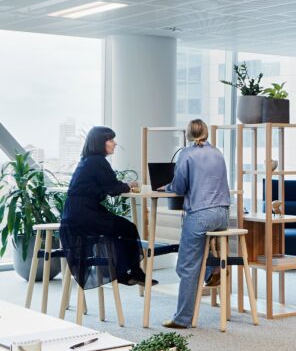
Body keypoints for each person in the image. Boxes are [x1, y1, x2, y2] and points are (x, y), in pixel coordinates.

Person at [160, 119, 231, 329]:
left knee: (186, 266)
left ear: (188, 134)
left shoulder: (187, 154)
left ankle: (182, 319)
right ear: (206, 133)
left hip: (201, 215)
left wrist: (167, 187)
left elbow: (179, 187)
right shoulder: (217, 152)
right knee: (199, 251)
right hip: (223, 214)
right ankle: (213, 270)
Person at [60, 126, 145, 288]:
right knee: (128, 228)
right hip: (84, 213)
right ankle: (131, 272)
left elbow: (106, 186)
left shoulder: (87, 160)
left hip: (74, 212)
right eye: (111, 140)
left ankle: (125, 272)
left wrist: (122, 185)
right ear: (100, 142)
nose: (115, 143)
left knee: (119, 229)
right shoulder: (97, 161)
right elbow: (113, 189)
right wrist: (129, 185)